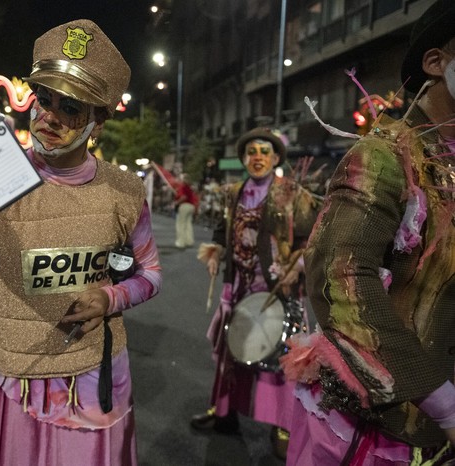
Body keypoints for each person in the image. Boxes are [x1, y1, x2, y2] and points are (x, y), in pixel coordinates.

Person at [0, 19, 162, 466]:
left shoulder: (125, 191)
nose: (49, 116)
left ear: (98, 121)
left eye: (72, 107)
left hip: (94, 373)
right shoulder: (1, 171)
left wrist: (110, 297)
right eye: (44, 99)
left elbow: (150, 273)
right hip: (19, 376)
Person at [280, 1, 455, 464]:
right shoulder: (386, 157)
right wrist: (447, 406)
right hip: (381, 424)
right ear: (436, 62)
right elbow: (338, 278)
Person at [191, 128, 321, 457]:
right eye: (252, 151)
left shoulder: (291, 192)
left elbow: (313, 238)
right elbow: (224, 230)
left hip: (278, 289)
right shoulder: (233, 191)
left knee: (282, 359)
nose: (258, 157)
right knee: (231, 351)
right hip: (239, 286)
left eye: (265, 151)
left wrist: (299, 264)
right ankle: (223, 413)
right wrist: (217, 252)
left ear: (276, 158)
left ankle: (283, 424)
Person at [174, 172, 197, 249]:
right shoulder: (189, 187)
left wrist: (176, 203)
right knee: (188, 224)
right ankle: (189, 241)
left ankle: (181, 242)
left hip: (184, 206)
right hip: (191, 206)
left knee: (181, 224)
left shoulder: (182, 187)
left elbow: (184, 197)